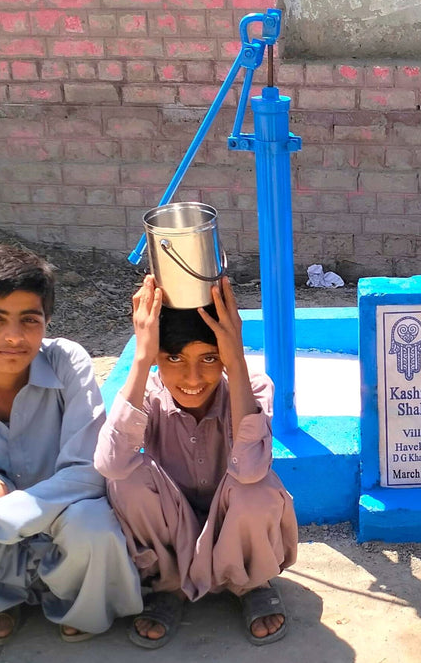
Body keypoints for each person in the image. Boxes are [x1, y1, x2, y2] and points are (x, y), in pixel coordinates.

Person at [0, 244, 141, 646]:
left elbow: (87, 474)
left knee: (93, 523)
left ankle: (76, 602)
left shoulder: (67, 361)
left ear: (47, 320)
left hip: (66, 511)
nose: (15, 337)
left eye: (29, 320)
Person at [95, 274, 298, 649]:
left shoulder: (252, 387)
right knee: (126, 479)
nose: (192, 377)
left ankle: (249, 581)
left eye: (209, 357)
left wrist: (235, 359)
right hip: (172, 527)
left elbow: (250, 468)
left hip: (232, 523)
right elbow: (110, 464)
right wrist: (142, 358)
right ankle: (169, 585)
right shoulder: (148, 395)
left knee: (256, 488)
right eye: (173, 358)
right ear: (157, 356)